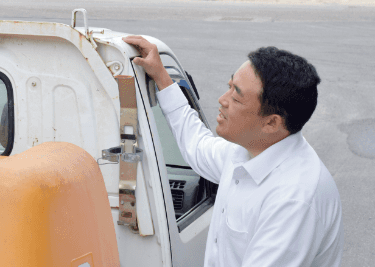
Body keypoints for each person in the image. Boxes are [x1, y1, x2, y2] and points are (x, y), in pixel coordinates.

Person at [123, 36, 342, 267]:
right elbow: (197, 144)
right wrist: (162, 77)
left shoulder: (294, 200)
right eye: (229, 86)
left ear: (271, 123)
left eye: (236, 97)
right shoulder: (248, 152)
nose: (222, 100)